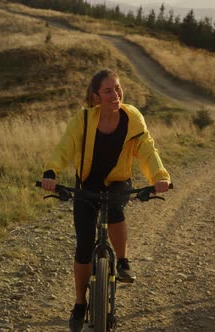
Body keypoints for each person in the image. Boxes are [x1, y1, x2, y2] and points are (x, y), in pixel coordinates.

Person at [40, 69, 171, 331]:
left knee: (114, 210)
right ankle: (79, 303)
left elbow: (147, 149)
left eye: (118, 88)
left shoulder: (132, 118)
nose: (116, 94)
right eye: (109, 90)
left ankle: (122, 261)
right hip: (87, 185)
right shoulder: (85, 119)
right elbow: (66, 145)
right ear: (96, 95)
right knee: (84, 246)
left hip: (118, 181)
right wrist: (51, 171)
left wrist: (160, 176)